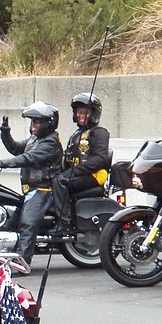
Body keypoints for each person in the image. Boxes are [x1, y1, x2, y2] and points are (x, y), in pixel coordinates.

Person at [0, 102, 62, 271]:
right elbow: (17, 149)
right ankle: (0, 256)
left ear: (49, 123)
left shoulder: (50, 143)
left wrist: (0, 163)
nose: (33, 125)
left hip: (43, 191)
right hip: (31, 190)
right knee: (11, 223)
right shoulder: (36, 139)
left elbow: (27, 158)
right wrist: (5, 133)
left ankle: (22, 265)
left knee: (27, 224)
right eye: (32, 122)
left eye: (37, 122)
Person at [50, 92, 112, 231]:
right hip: (78, 173)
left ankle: (63, 222)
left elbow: (101, 159)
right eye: (78, 112)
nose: (81, 115)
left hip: (94, 175)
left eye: (85, 112)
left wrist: (74, 171)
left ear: (94, 113)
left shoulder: (100, 132)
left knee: (59, 182)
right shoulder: (77, 134)